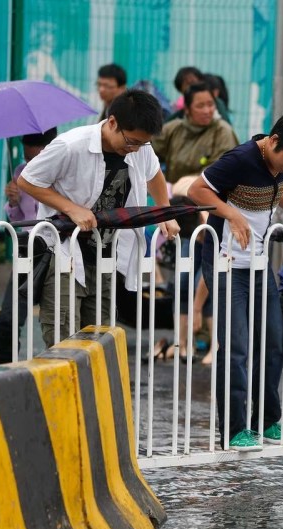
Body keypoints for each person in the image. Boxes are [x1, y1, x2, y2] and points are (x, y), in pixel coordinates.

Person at [187, 112, 283, 449]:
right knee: (236, 347)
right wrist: (230, 214)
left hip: (259, 265)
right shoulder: (241, 159)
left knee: (274, 343)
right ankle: (233, 429)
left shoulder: (277, 162)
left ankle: (267, 421)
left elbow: (277, 186)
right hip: (227, 263)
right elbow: (197, 189)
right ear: (273, 142)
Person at [18, 90, 180, 349]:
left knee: (99, 340)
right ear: (112, 122)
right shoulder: (70, 146)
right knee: (64, 340)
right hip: (65, 254)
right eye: (132, 141)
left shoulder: (141, 148)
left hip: (107, 256)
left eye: (141, 144)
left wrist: (165, 211)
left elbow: (154, 174)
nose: (135, 149)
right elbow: (27, 180)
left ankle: (93, 391)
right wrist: (71, 208)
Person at [153, 81, 239, 361]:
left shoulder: (222, 132)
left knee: (211, 277)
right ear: (187, 109)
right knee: (182, 280)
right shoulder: (174, 130)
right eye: (200, 105)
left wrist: (189, 183)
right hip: (181, 215)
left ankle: (215, 345)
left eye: (211, 105)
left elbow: (220, 175)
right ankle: (182, 342)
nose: (207, 110)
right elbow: (148, 153)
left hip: (211, 212)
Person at [0, 128, 57, 364]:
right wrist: (14, 202)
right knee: (6, 321)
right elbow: (18, 219)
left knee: (57, 327)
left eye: (34, 158)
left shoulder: (62, 173)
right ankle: (5, 372)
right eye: (26, 158)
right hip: (28, 253)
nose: (29, 164)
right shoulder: (21, 173)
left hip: (56, 254)